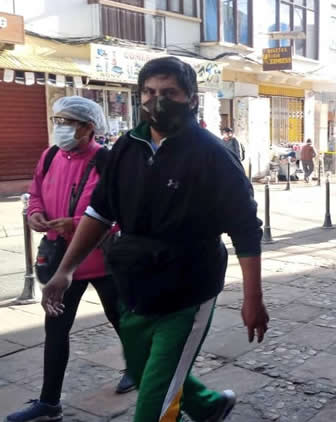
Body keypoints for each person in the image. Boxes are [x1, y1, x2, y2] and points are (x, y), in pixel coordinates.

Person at [40, 57, 268, 422]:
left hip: (189, 290)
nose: (156, 100)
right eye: (149, 92)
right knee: (146, 365)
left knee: (154, 400)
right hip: (134, 285)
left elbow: (245, 229)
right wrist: (66, 270)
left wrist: (252, 299)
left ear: (192, 99)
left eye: (169, 93)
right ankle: (210, 406)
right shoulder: (126, 149)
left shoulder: (212, 156)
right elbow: (99, 213)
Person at [6, 97, 135, 422]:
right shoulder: (50, 155)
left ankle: (137, 368)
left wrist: (76, 225)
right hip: (61, 263)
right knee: (55, 330)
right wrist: (35, 213)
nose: (59, 127)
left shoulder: (106, 161)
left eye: (66, 122)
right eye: (56, 120)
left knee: (121, 319)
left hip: (101, 260)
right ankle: (49, 404)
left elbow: (122, 213)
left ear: (88, 127)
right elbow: (35, 191)